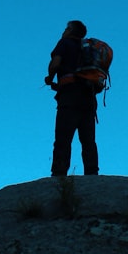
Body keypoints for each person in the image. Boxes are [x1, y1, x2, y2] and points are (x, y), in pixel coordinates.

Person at [44, 20, 99, 176]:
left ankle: (59, 174)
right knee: (88, 140)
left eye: (66, 28)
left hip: (69, 98)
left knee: (63, 138)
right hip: (88, 97)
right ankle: (92, 173)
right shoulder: (87, 49)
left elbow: (55, 64)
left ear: (70, 31)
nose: (64, 31)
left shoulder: (65, 43)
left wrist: (50, 76)